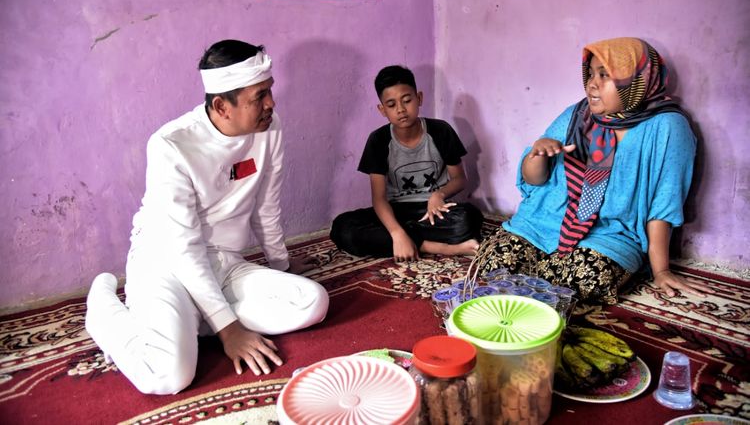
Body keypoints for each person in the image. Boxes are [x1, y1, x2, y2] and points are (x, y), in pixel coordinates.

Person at [85, 40, 329, 395]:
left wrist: (281, 265)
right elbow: (182, 247)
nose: (271, 104)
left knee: (312, 303)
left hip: (224, 263)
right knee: (167, 376)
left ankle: (198, 319)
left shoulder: (269, 127)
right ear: (221, 106)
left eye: (270, 91)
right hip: (165, 264)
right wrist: (230, 331)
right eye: (259, 96)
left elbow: (266, 206)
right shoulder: (171, 145)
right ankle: (101, 306)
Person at [472, 37, 713, 304]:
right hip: (545, 221)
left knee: (586, 278)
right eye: (591, 74)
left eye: (604, 75)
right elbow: (535, 180)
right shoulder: (577, 114)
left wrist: (661, 270)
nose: (592, 84)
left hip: (609, 233)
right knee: (493, 259)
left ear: (635, 81)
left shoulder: (668, 127)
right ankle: (541, 280)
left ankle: (543, 282)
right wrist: (537, 154)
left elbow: (663, 204)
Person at [330, 65, 484, 262]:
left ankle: (403, 239)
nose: (401, 110)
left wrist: (439, 194)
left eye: (407, 101)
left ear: (419, 98)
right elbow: (379, 199)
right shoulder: (378, 140)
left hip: (432, 211)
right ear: (382, 109)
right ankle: (440, 247)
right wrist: (396, 232)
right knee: (343, 228)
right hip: (397, 210)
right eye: (392, 105)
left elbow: (460, 179)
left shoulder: (441, 131)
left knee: (469, 218)